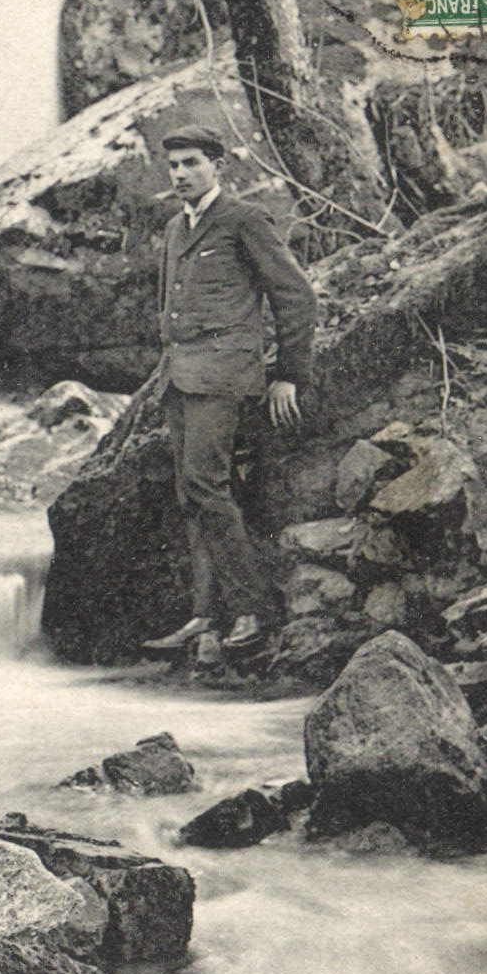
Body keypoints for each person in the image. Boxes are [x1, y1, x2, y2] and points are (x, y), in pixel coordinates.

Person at [142, 123, 317, 655]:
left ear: (219, 166)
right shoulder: (176, 226)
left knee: (206, 485)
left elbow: (297, 296)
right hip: (180, 377)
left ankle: (251, 610)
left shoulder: (244, 220)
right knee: (191, 496)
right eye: (173, 165)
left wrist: (288, 373)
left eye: (192, 163)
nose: (180, 174)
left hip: (223, 376)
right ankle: (205, 615)